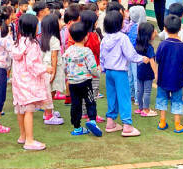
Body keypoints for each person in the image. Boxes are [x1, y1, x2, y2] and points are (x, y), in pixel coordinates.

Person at [100, 9, 148, 137]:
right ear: (119, 23)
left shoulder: (105, 39)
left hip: (109, 72)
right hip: (120, 72)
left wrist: (104, 68)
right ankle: (127, 125)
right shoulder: (122, 38)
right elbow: (130, 54)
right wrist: (141, 59)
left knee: (112, 97)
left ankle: (110, 122)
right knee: (124, 97)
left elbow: (102, 56)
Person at [11, 13, 51, 150]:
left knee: (21, 109)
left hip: (18, 82)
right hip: (29, 82)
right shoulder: (32, 44)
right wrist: (46, 68)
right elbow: (32, 65)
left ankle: (22, 135)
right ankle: (29, 140)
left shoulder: (18, 43)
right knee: (28, 110)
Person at [63, 21, 102, 136]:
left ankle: (77, 127)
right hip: (85, 81)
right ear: (86, 37)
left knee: (76, 105)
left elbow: (65, 67)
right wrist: (97, 73)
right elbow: (92, 67)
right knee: (90, 101)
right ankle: (92, 121)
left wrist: (69, 75)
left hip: (73, 83)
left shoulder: (68, 51)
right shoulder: (87, 51)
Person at [155, 14, 183, 133]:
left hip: (163, 78)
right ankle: (177, 124)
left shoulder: (162, 44)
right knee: (176, 100)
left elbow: (158, 59)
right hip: (177, 79)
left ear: (164, 29)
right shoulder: (182, 46)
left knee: (162, 99)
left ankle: (162, 122)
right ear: (180, 29)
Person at [39, 12, 65, 125]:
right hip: (51, 68)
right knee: (51, 92)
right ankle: (48, 115)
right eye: (58, 21)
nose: (61, 23)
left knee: (48, 91)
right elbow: (54, 57)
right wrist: (54, 72)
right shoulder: (55, 39)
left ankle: (48, 112)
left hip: (45, 67)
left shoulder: (43, 38)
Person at [134, 22, 158, 117]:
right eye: (153, 32)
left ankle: (140, 108)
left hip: (139, 71)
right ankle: (146, 109)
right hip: (148, 73)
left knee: (140, 90)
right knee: (147, 91)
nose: (155, 33)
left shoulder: (138, 45)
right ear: (148, 35)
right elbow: (152, 61)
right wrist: (156, 73)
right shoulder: (149, 47)